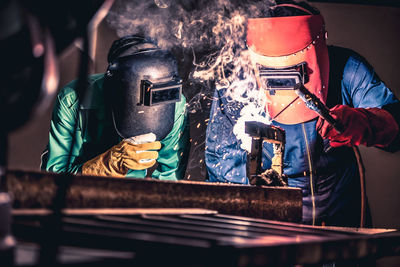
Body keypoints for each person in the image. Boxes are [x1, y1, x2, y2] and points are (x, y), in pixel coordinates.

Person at [205, 1, 400, 227]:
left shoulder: (348, 68)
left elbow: (395, 127)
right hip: (274, 210)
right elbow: (223, 166)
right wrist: (258, 201)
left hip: (341, 205)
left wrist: (364, 123)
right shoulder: (236, 85)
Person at [41, 35, 190, 180]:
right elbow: (55, 177)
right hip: (81, 189)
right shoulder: (74, 99)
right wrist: (107, 165)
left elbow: (170, 176)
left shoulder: (173, 104)